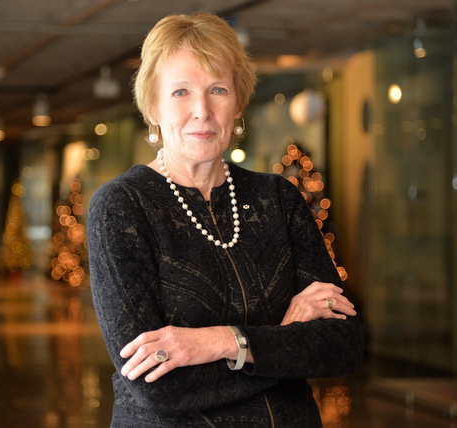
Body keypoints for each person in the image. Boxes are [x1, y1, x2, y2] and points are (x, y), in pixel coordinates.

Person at [87, 11, 363, 427]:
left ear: (238, 103)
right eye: (180, 92)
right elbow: (156, 385)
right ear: (153, 108)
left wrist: (218, 341)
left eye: (217, 89)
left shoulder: (277, 198)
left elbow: (342, 344)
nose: (202, 110)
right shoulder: (122, 207)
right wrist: (282, 341)